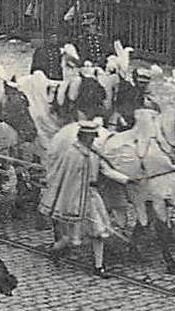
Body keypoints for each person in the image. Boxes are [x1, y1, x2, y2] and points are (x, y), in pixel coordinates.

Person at [38, 118, 129, 277]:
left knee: (99, 232)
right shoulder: (72, 154)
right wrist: (71, 203)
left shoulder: (94, 153)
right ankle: (55, 250)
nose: (93, 139)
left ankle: (98, 267)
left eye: (94, 136)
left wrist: (127, 179)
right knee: (71, 237)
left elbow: (106, 170)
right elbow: (66, 179)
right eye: (91, 136)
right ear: (83, 137)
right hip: (75, 200)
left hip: (92, 198)